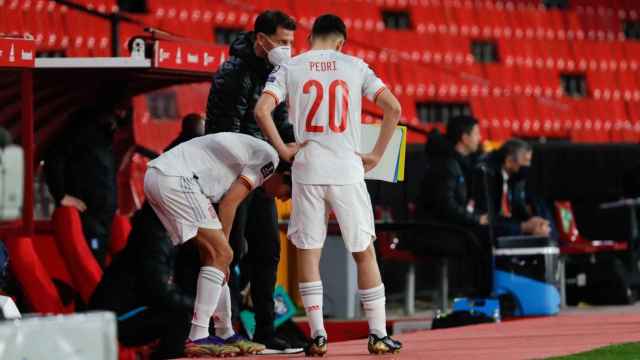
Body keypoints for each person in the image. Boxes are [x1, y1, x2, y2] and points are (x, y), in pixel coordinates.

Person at [255, 14, 403, 356]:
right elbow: (392, 108)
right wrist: (377, 153)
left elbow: (262, 110)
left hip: (307, 169)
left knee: (309, 252)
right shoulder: (355, 65)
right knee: (363, 251)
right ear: (341, 42)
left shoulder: (291, 67)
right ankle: (378, 335)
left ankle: (318, 335)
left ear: (309, 39)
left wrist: (283, 150)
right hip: (347, 170)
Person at [143, 132, 292, 357]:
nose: (283, 199)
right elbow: (230, 204)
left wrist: (223, 252)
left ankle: (224, 331)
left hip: (163, 177)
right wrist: (225, 248)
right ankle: (198, 335)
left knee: (213, 256)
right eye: (288, 193)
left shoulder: (258, 154)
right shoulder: (269, 159)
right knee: (221, 253)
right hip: (175, 178)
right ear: (286, 175)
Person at [204, 9, 297, 351]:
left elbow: (281, 122)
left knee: (268, 251)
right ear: (262, 40)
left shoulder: (278, 72)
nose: (289, 48)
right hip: (234, 175)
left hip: (262, 172)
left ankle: (265, 332)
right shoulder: (232, 73)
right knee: (232, 251)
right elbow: (224, 133)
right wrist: (267, 153)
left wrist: (294, 143)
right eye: (283, 42)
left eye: (292, 42)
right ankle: (226, 330)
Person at [44, 98, 130, 267]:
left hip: (103, 218)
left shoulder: (104, 137)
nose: (122, 116)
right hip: (89, 217)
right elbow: (54, 157)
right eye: (120, 111)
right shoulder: (82, 130)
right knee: (94, 263)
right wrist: (61, 195)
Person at [418, 115, 493, 297]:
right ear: (464, 138)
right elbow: (446, 206)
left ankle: (483, 293)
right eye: (476, 134)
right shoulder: (447, 164)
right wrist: (476, 219)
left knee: (489, 231)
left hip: (448, 226)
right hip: (434, 230)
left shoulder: (458, 163)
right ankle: (481, 295)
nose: (479, 138)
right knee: (484, 236)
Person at [473, 139, 551, 238]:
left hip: (507, 228)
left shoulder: (516, 179)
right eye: (526, 160)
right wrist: (523, 227)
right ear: (509, 161)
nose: (528, 165)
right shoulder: (486, 176)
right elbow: (489, 220)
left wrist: (533, 222)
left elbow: (518, 210)